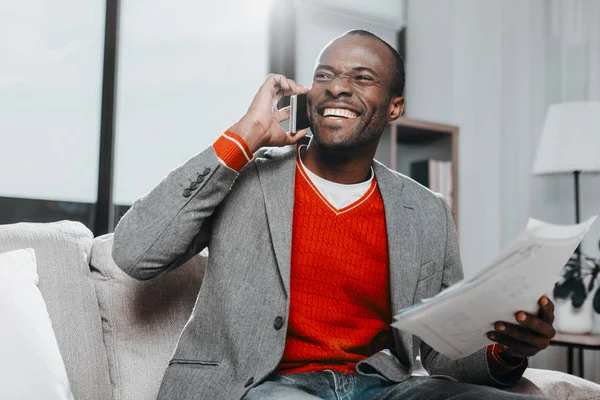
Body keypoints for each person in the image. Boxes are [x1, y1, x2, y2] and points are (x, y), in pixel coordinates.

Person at [112, 30, 556, 400]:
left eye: (362, 78)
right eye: (325, 75)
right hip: (262, 386)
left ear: (394, 107)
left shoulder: (426, 212)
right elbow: (135, 252)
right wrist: (243, 137)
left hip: (378, 387)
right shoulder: (245, 179)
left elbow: (441, 353)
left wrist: (506, 351)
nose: (337, 87)